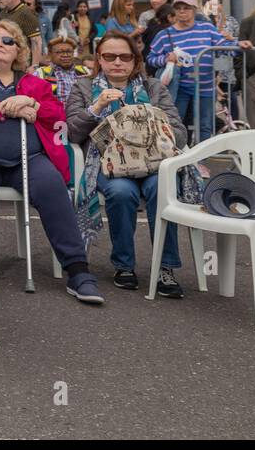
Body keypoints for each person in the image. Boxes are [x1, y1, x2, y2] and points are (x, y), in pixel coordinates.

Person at [0, 20, 104, 305]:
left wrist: (35, 105)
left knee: (52, 188)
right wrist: (6, 107)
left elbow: (57, 118)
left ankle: (78, 271)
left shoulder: (35, 83)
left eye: (7, 41)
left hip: (30, 159)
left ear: (19, 51)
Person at [66, 32, 188, 297]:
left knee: (160, 189)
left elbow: (180, 132)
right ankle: (124, 266)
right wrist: (97, 107)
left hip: (154, 162)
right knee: (122, 192)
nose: (117, 62)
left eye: (125, 56)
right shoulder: (84, 87)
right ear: (99, 59)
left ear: (136, 60)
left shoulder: (154, 87)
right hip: (106, 163)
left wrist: (151, 123)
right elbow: (73, 133)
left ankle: (165, 267)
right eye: (109, 56)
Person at [146, 0, 251, 144]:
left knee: (205, 126)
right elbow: (150, 59)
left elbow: (223, 46)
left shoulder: (206, 28)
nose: (182, 11)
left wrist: (238, 45)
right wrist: (165, 59)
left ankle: (202, 163)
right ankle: (178, 159)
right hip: (179, 88)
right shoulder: (165, 34)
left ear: (194, 10)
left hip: (206, 88)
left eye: (186, 8)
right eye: (179, 8)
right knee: (177, 124)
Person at [33, 34, 90, 105]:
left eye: (69, 52)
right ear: (50, 54)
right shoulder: (40, 73)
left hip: (81, 114)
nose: (65, 55)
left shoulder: (85, 71)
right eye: (59, 52)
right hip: (54, 114)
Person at [0, 0, 42, 65]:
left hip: (22, 63)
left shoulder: (26, 13)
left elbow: (36, 42)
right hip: (6, 60)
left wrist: (34, 66)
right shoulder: (3, 12)